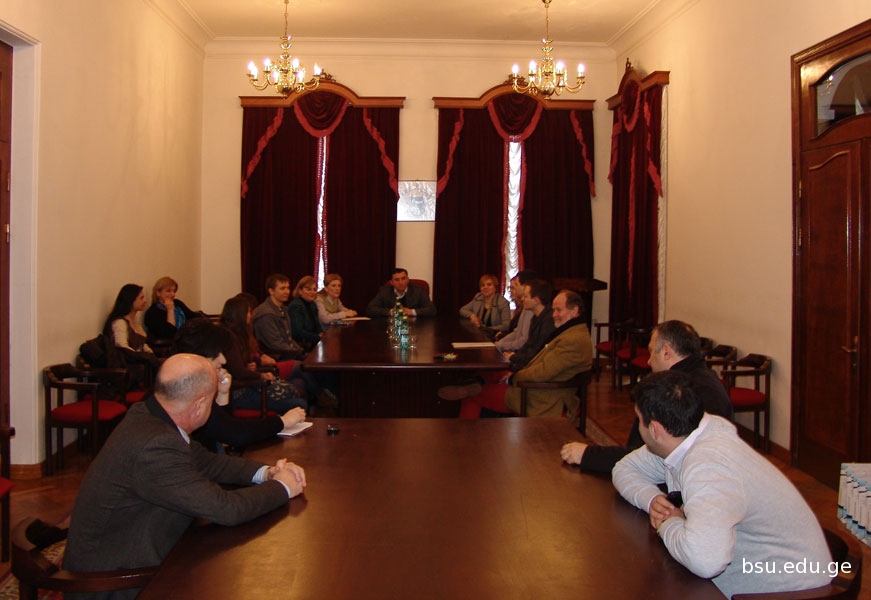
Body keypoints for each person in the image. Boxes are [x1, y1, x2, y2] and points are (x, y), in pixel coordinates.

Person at [64, 354, 307, 599]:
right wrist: (282, 487)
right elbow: (226, 509)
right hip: (116, 585)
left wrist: (266, 473)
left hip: (144, 551)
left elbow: (207, 462)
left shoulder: (150, 414)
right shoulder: (155, 445)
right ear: (200, 404)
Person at [611, 370, 831, 598]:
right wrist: (653, 500)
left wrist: (668, 522)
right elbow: (625, 469)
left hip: (788, 590)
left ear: (655, 429)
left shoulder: (708, 464)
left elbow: (706, 561)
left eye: (639, 420)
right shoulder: (688, 434)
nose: (638, 427)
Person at [561, 319, 734, 472]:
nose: (649, 361)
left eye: (651, 352)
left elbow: (648, 459)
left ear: (666, 352)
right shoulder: (707, 377)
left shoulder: (674, 392)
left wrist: (588, 455)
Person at [448, 290, 592, 419]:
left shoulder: (572, 340)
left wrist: (513, 378)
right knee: (491, 375)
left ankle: (465, 436)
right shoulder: (571, 333)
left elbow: (542, 373)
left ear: (574, 311)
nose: (554, 315)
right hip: (538, 390)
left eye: (559, 310)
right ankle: (475, 386)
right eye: (553, 310)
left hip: (541, 398)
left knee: (473, 396)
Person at [174, 318, 306, 453]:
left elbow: (223, 429)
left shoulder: (194, 383)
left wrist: (223, 394)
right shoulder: (187, 391)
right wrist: (282, 422)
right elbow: (234, 434)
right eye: (216, 354)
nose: (223, 360)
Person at [438, 279, 554, 404]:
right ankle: (473, 384)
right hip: (518, 360)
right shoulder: (536, 318)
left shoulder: (545, 321)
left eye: (525, 296)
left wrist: (513, 357)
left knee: (475, 395)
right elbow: (528, 345)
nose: (522, 298)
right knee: (486, 375)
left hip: (527, 377)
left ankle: (473, 387)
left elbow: (532, 351)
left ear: (536, 300)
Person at [103, 283, 159, 387]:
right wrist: (142, 356)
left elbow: (141, 342)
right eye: (141, 298)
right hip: (128, 366)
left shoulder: (134, 320)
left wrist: (148, 350)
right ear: (131, 300)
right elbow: (122, 347)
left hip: (138, 362)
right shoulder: (120, 323)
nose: (145, 301)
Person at [252, 273, 306, 361]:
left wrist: (301, 351)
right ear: (271, 291)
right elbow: (275, 343)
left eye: (288, 288)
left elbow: (288, 339)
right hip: (277, 357)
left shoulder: (284, 309)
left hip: (289, 353)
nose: (287, 291)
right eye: (282, 288)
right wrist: (297, 354)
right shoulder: (266, 314)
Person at [143, 276, 201, 343]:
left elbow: (192, 316)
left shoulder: (177, 303)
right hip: (172, 344)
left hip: (188, 338)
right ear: (158, 293)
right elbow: (169, 333)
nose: (173, 294)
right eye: (168, 291)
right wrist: (170, 309)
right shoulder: (153, 313)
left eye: (174, 291)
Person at [493, 269, 539, 351]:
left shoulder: (530, 308)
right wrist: (499, 344)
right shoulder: (525, 306)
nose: (514, 289)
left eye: (516, 285)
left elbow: (523, 340)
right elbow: (517, 332)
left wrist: (500, 345)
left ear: (525, 286)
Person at [366, 268, 436, 317]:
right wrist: (391, 311)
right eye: (397, 280)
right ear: (391, 282)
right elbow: (370, 309)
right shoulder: (384, 291)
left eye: (403, 278)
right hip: (392, 326)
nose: (401, 282)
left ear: (408, 280)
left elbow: (432, 310)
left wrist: (411, 312)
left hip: (415, 326)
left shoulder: (418, 291)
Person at [289, 275, 324, 351]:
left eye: (314, 289)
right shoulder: (296, 306)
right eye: (308, 289)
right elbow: (298, 331)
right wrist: (318, 337)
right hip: (302, 345)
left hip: (314, 342)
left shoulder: (313, 304)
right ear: (300, 291)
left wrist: (322, 334)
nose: (312, 292)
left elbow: (317, 325)